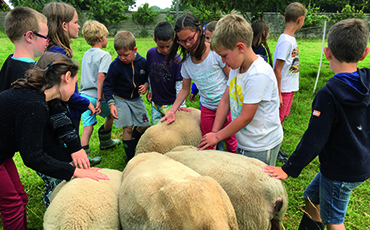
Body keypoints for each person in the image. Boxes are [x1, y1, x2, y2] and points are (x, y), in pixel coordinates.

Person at [264, 19, 370, 230]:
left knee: (334, 221)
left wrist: (289, 168)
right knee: (312, 198)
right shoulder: (366, 82)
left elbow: (315, 138)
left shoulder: (328, 95)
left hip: (340, 171)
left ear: (326, 52)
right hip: (356, 162)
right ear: (364, 53)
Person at [0, 52, 109, 230]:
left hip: (3, 153)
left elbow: (47, 143)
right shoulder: (34, 104)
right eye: (75, 83)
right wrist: (74, 171)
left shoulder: (41, 97)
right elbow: (33, 156)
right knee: (12, 204)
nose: (75, 90)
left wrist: (72, 158)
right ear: (66, 77)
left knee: (20, 196)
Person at [198, 13, 283, 166]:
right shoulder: (236, 68)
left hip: (261, 145)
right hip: (245, 140)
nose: (223, 61)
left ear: (240, 47)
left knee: (258, 185)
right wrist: (215, 131)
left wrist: (217, 138)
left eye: (224, 56)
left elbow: (246, 117)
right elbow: (225, 101)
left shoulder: (258, 74)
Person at [162, 13, 237, 153]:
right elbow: (185, 89)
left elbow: (232, 79)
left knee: (231, 140)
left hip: (227, 105)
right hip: (207, 108)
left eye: (190, 38)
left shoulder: (216, 52)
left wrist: (233, 105)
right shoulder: (186, 63)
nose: (187, 44)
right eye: (182, 41)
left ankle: (237, 163)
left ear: (200, 32)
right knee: (208, 143)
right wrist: (172, 111)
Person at [43, 2, 101, 164]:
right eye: (75, 22)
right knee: (68, 148)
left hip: (70, 110)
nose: (78, 25)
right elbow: (62, 93)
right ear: (64, 26)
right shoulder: (58, 54)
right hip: (65, 112)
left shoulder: (55, 51)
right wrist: (84, 103)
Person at [103, 31, 150, 163]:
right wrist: (111, 103)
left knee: (145, 125)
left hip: (136, 99)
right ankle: (130, 158)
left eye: (126, 55)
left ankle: (133, 143)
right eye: (119, 55)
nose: (122, 58)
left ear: (134, 50)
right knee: (128, 127)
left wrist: (146, 85)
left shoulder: (143, 63)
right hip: (120, 99)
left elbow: (147, 78)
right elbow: (107, 85)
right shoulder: (115, 65)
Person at [79, 20, 121, 163]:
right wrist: (99, 99)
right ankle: (106, 141)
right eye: (106, 36)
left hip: (84, 96)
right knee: (111, 114)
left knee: (87, 127)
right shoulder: (104, 55)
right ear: (100, 38)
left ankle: (84, 157)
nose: (107, 39)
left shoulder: (85, 54)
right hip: (98, 97)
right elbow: (101, 76)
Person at [273, 2, 306, 162]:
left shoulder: (289, 39)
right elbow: (277, 69)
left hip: (289, 88)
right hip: (283, 89)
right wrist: (278, 93)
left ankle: (278, 149)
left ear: (286, 18)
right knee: (277, 121)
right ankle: (274, 150)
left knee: (282, 119)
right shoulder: (286, 41)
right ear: (300, 19)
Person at [0, 6, 48, 92]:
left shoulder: (9, 62)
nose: (47, 41)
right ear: (29, 36)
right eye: (45, 37)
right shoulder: (30, 75)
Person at [146, 21, 184, 125]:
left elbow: (180, 85)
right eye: (161, 46)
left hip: (171, 104)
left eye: (168, 46)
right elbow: (150, 74)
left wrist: (181, 105)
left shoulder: (177, 59)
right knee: (157, 129)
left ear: (174, 41)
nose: (165, 50)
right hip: (155, 103)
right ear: (155, 40)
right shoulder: (150, 54)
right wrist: (150, 89)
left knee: (171, 130)